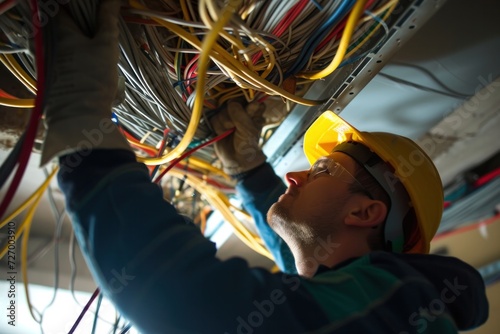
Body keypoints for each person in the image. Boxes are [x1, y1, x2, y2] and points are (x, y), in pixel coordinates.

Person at [41, 1, 488, 333]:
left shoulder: (398, 305)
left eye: (323, 171)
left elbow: (185, 297)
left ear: (364, 213)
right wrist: (252, 173)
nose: (294, 174)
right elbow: (300, 281)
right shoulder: (396, 310)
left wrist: (84, 117)